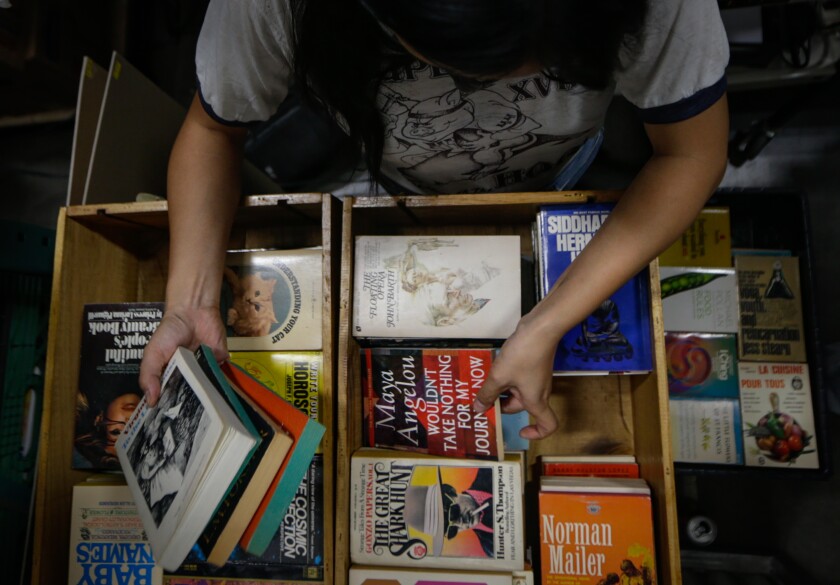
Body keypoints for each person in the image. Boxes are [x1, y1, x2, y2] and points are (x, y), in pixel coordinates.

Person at [139, 0, 730, 441]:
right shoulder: (269, 9)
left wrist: (548, 321)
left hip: (560, 171)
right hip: (402, 183)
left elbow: (691, 153)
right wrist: (190, 302)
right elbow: (213, 128)